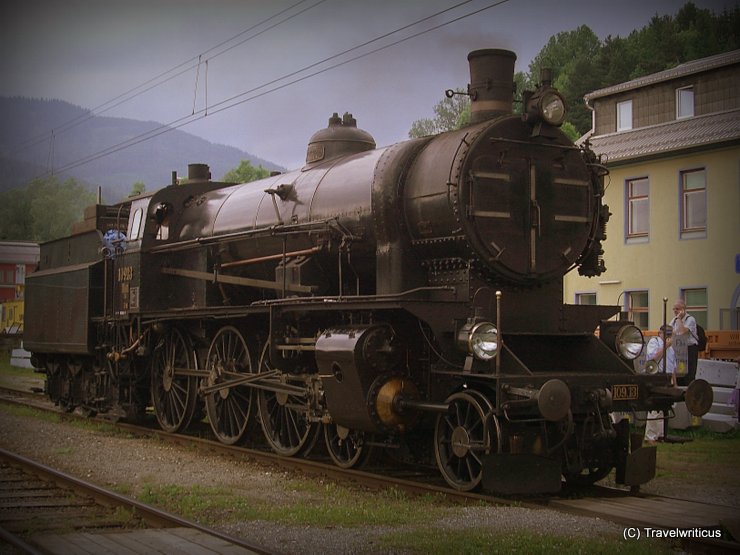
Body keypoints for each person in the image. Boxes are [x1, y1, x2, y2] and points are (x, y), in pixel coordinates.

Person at [644, 325, 676, 445]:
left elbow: (673, 367)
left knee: (663, 408)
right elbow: (653, 358)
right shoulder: (655, 342)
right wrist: (665, 346)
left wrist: (675, 384)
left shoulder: (671, 349)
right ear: (660, 333)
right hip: (656, 376)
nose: (668, 337)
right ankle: (650, 435)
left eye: (670, 334)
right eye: (666, 334)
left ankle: (660, 434)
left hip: (667, 378)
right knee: (654, 408)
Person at [671, 299, 698, 386]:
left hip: (690, 348)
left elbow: (682, 332)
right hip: (679, 349)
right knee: (679, 371)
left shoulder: (690, 319)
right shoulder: (673, 320)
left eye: (677, 309)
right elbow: (669, 331)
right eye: (674, 309)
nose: (675, 311)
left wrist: (679, 319)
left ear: (683, 309)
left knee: (689, 373)